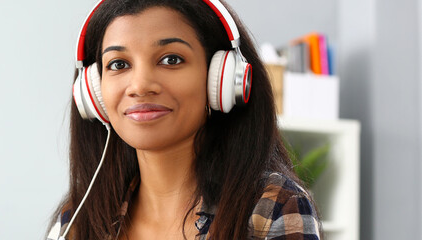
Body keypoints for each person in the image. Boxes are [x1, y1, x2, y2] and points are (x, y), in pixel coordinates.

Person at [46, 0, 322, 239]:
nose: (140, 86)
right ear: (93, 92)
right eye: (119, 64)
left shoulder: (272, 207)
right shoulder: (78, 219)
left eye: (171, 59)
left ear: (221, 79)